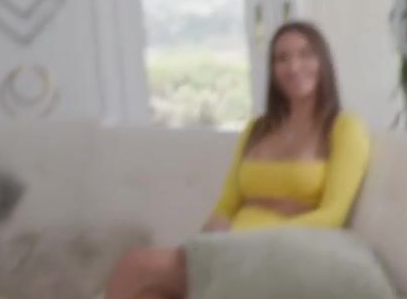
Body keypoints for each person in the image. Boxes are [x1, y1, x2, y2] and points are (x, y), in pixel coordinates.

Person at [106, 21, 371, 299]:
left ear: (323, 61)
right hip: (231, 247)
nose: (294, 67)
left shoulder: (344, 127)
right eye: (282, 58)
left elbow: (333, 214)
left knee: (135, 265)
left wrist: (252, 239)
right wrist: (208, 238)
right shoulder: (258, 129)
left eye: (305, 54)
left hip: (282, 252)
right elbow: (228, 202)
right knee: (150, 293)